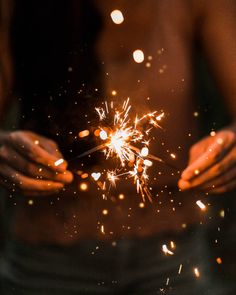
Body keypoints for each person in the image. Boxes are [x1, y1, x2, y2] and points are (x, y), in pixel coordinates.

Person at [0, 0, 235, 294]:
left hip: (173, 257)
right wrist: (6, 150)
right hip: (48, 262)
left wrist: (230, 148)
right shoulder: (15, 7)